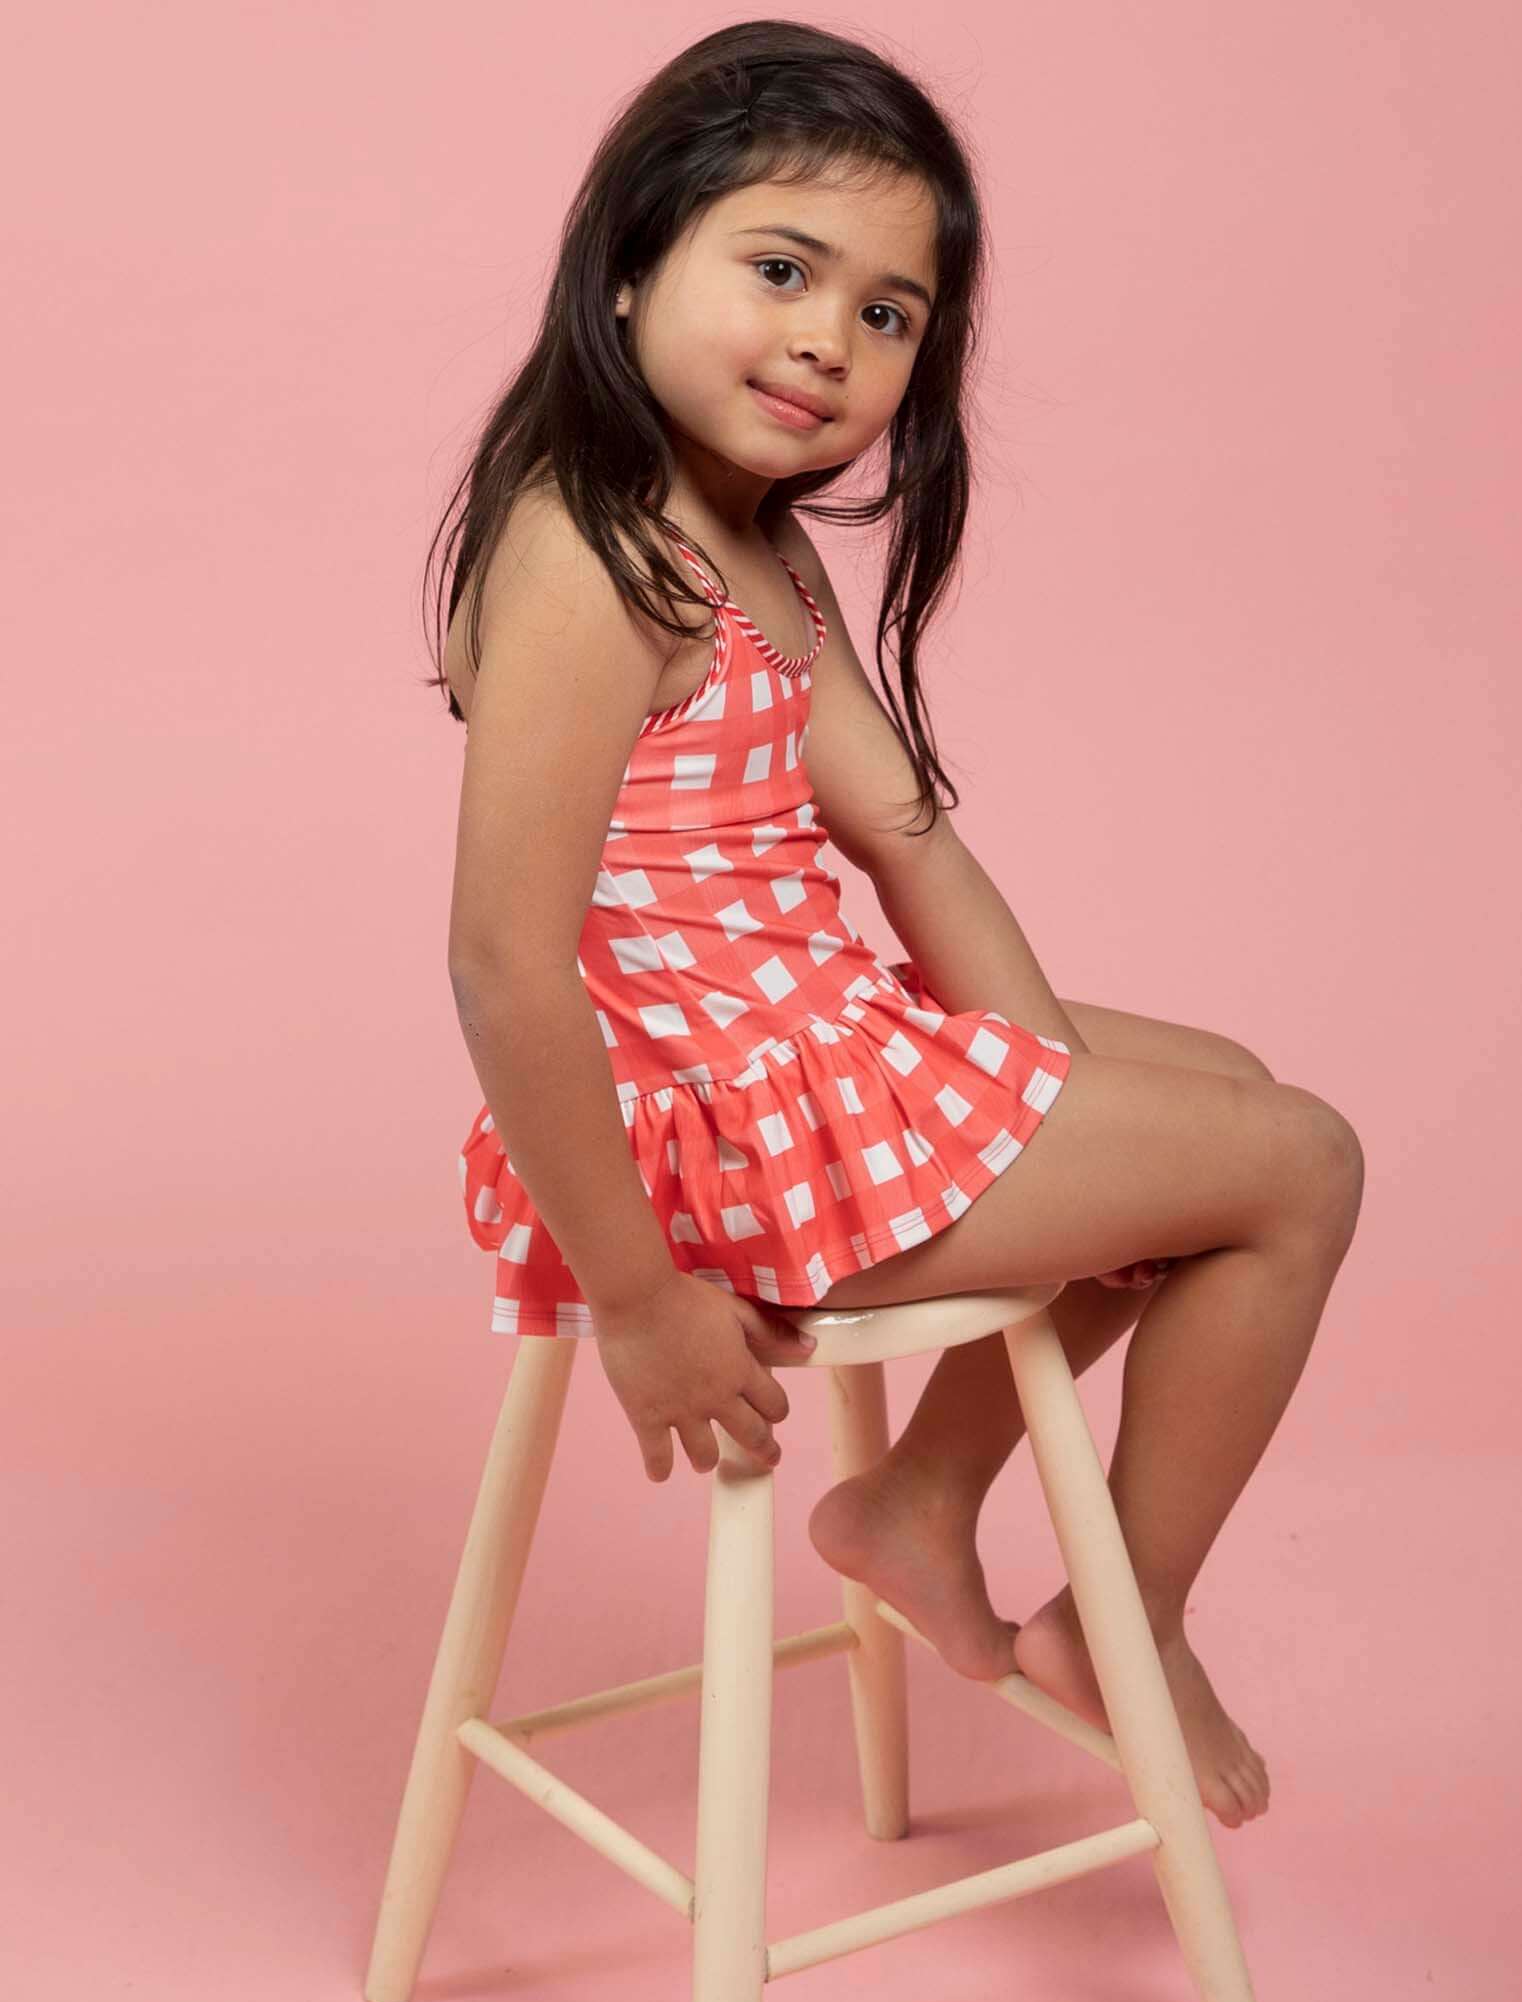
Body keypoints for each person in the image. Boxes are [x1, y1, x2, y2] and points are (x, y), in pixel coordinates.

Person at [435, 22, 1364, 1832]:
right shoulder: (587, 552)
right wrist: (633, 1297)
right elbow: (498, 960)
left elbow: (909, 839)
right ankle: (1129, 1621)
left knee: (1219, 1096)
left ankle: (923, 1503)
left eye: (889, 314)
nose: (827, 340)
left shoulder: (755, 546)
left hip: (816, 1056)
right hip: (706, 1145)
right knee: (1299, 1163)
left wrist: (1031, 1081)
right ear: (629, 269)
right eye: (780, 270)